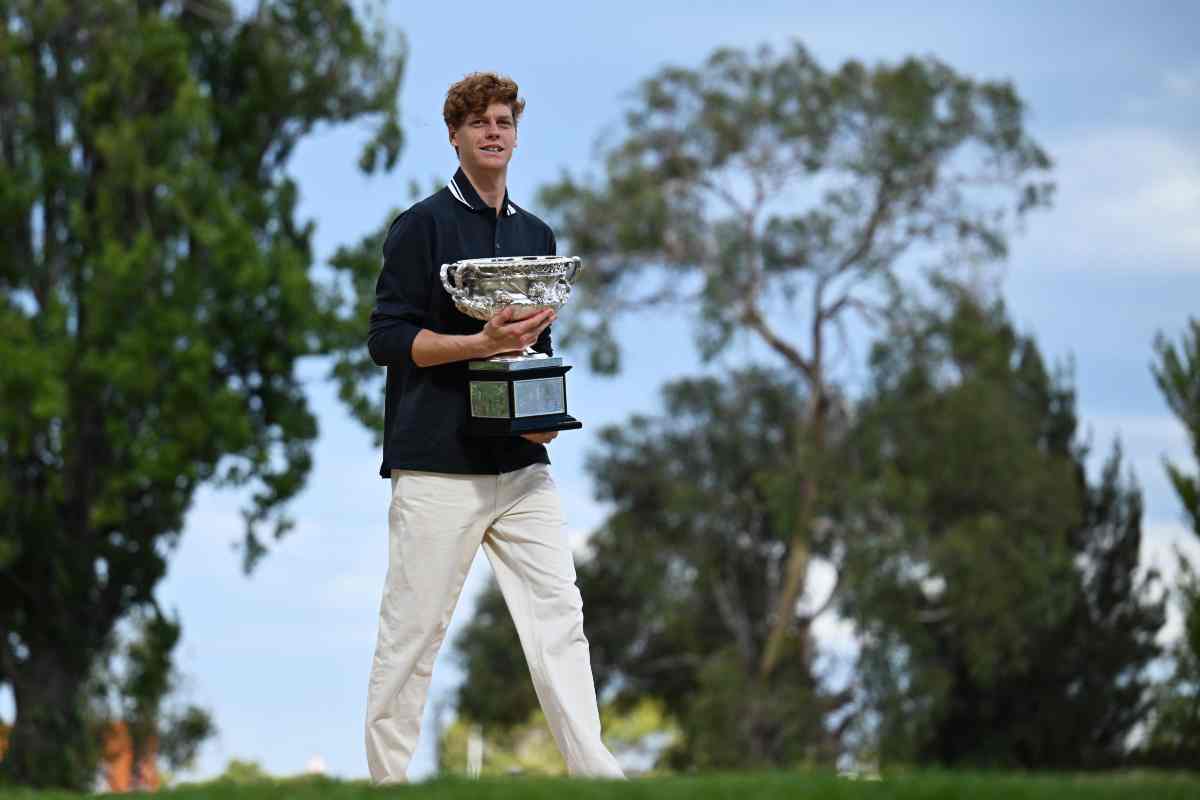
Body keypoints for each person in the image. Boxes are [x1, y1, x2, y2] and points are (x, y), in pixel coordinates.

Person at [363, 72, 625, 784]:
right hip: (436, 469)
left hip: (521, 471)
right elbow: (387, 339)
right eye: (478, 121)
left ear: (516, 134)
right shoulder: (419, 227)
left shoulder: (536, 237)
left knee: (560, 620)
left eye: (504, 120)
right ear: (455, 135)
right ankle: (387, 783)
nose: (493, 131)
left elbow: (535, 348)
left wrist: (539, 421)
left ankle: (597, 778)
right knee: (412, 637)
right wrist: (476, 345)